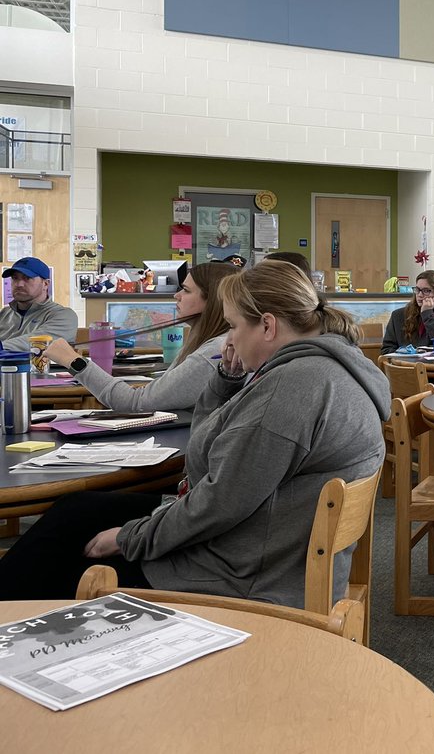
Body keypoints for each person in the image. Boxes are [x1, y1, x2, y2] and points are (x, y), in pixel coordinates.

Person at [0, 260, 390, 604]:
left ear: (267, 326)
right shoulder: (333, 366)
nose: (230, 339)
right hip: (268, 544)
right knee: (75, 512)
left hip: (244, 573)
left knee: (60, 567)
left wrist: (131, 537)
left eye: (235, 327)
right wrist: (226, 382)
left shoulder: (292, 388)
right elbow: (213, 462)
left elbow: (218, 503)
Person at [42, 262, 239, 413]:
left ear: (212, 301)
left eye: (186, 290)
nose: (176, 296)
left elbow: (135, 403)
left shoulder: (213, 353)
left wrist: (74, 362)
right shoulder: (208, 342)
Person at [0, 256, 79, 352]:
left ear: (45, 284)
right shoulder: (4, 314)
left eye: (27, 278)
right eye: (15, 278)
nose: (19, 284)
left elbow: (39, 343)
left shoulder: (64, 316)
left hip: (36, 366)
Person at [380, 269, 434, 354]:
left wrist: (427, 313)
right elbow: (386, 350)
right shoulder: (398, 315)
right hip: (406, 365)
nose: (419, 295)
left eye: (426, 291)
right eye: (417, 290)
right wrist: (407, 354)